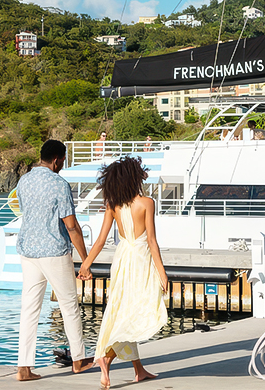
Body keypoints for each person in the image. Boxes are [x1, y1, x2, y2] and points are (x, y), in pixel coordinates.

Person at [78, 156, 168, 389]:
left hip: (121, 260)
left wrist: (85, 264)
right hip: (140, 261)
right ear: (134, 178)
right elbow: (151, 241)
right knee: (135, 313)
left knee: (121, 309)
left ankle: (138, 370)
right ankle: (106, 357)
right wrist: (162, 273)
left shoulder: (113, 205)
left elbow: (99, 241)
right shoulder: (147, 202)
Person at [15, 139, 94, 381]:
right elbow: (71, 226)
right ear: (58, 160)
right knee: (69, 304)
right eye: (63, 161)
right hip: (53, 251)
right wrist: (85, 260)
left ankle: (24, 368)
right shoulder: (59, 184)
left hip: (28, 250)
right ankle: (79, 360)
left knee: (29, 308)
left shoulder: (23, 181)